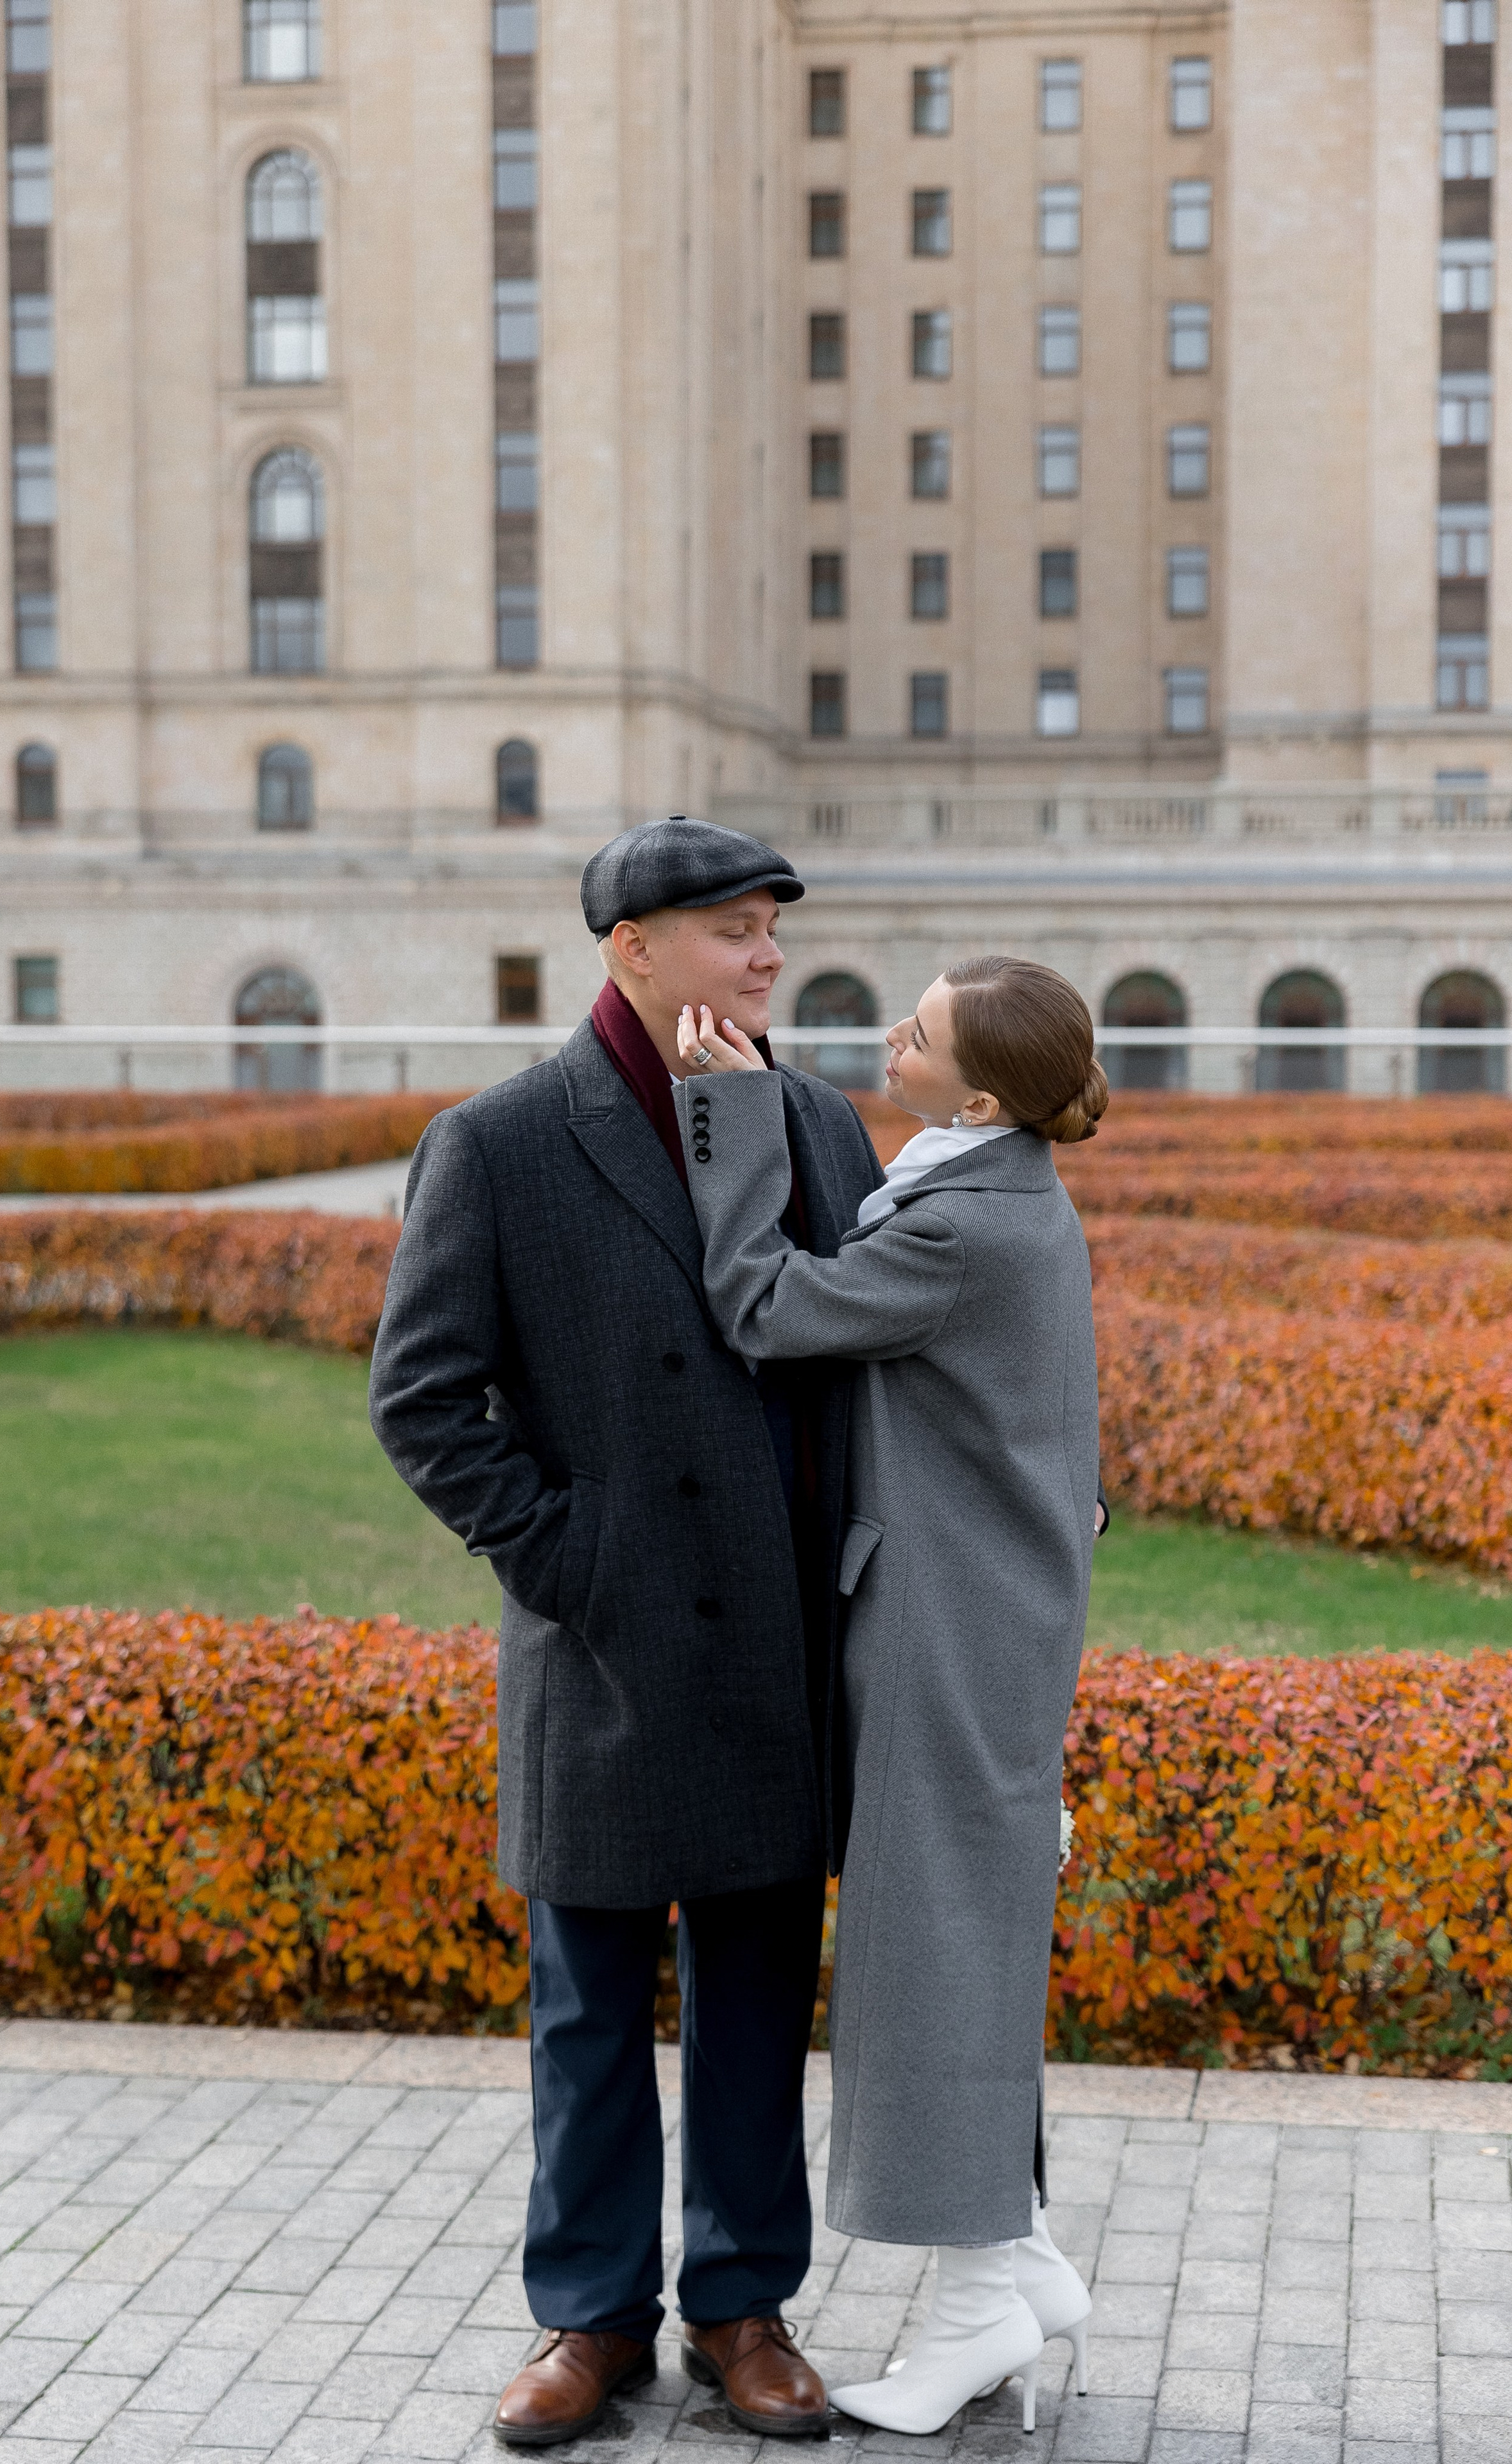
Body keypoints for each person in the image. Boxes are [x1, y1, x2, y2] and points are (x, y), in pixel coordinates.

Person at [368, 817, 884, 2448]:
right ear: (632, 948)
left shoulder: (815, 1120)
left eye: (770, 927)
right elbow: (421, 1397)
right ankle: (588, 2317)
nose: (765, 954)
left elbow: (876, 1357)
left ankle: (741, 2308)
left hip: (774, 1640)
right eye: (732, 928)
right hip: (598, 1642)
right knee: (587, 2009)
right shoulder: (501, 1140)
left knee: (754, 1997)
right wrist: (568, 1555)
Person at [670, 955, 1106, 2438]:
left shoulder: (965, 1226)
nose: (888, 1040)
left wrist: (731, 1116)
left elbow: (763, 1306)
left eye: (915, 1036)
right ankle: (1014, 2265)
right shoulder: (995, 1185)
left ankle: (978, 2312)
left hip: (952, 1634)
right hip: (975, 1620)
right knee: (954, 1939)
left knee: (929, 1958)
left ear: (975, 1099)